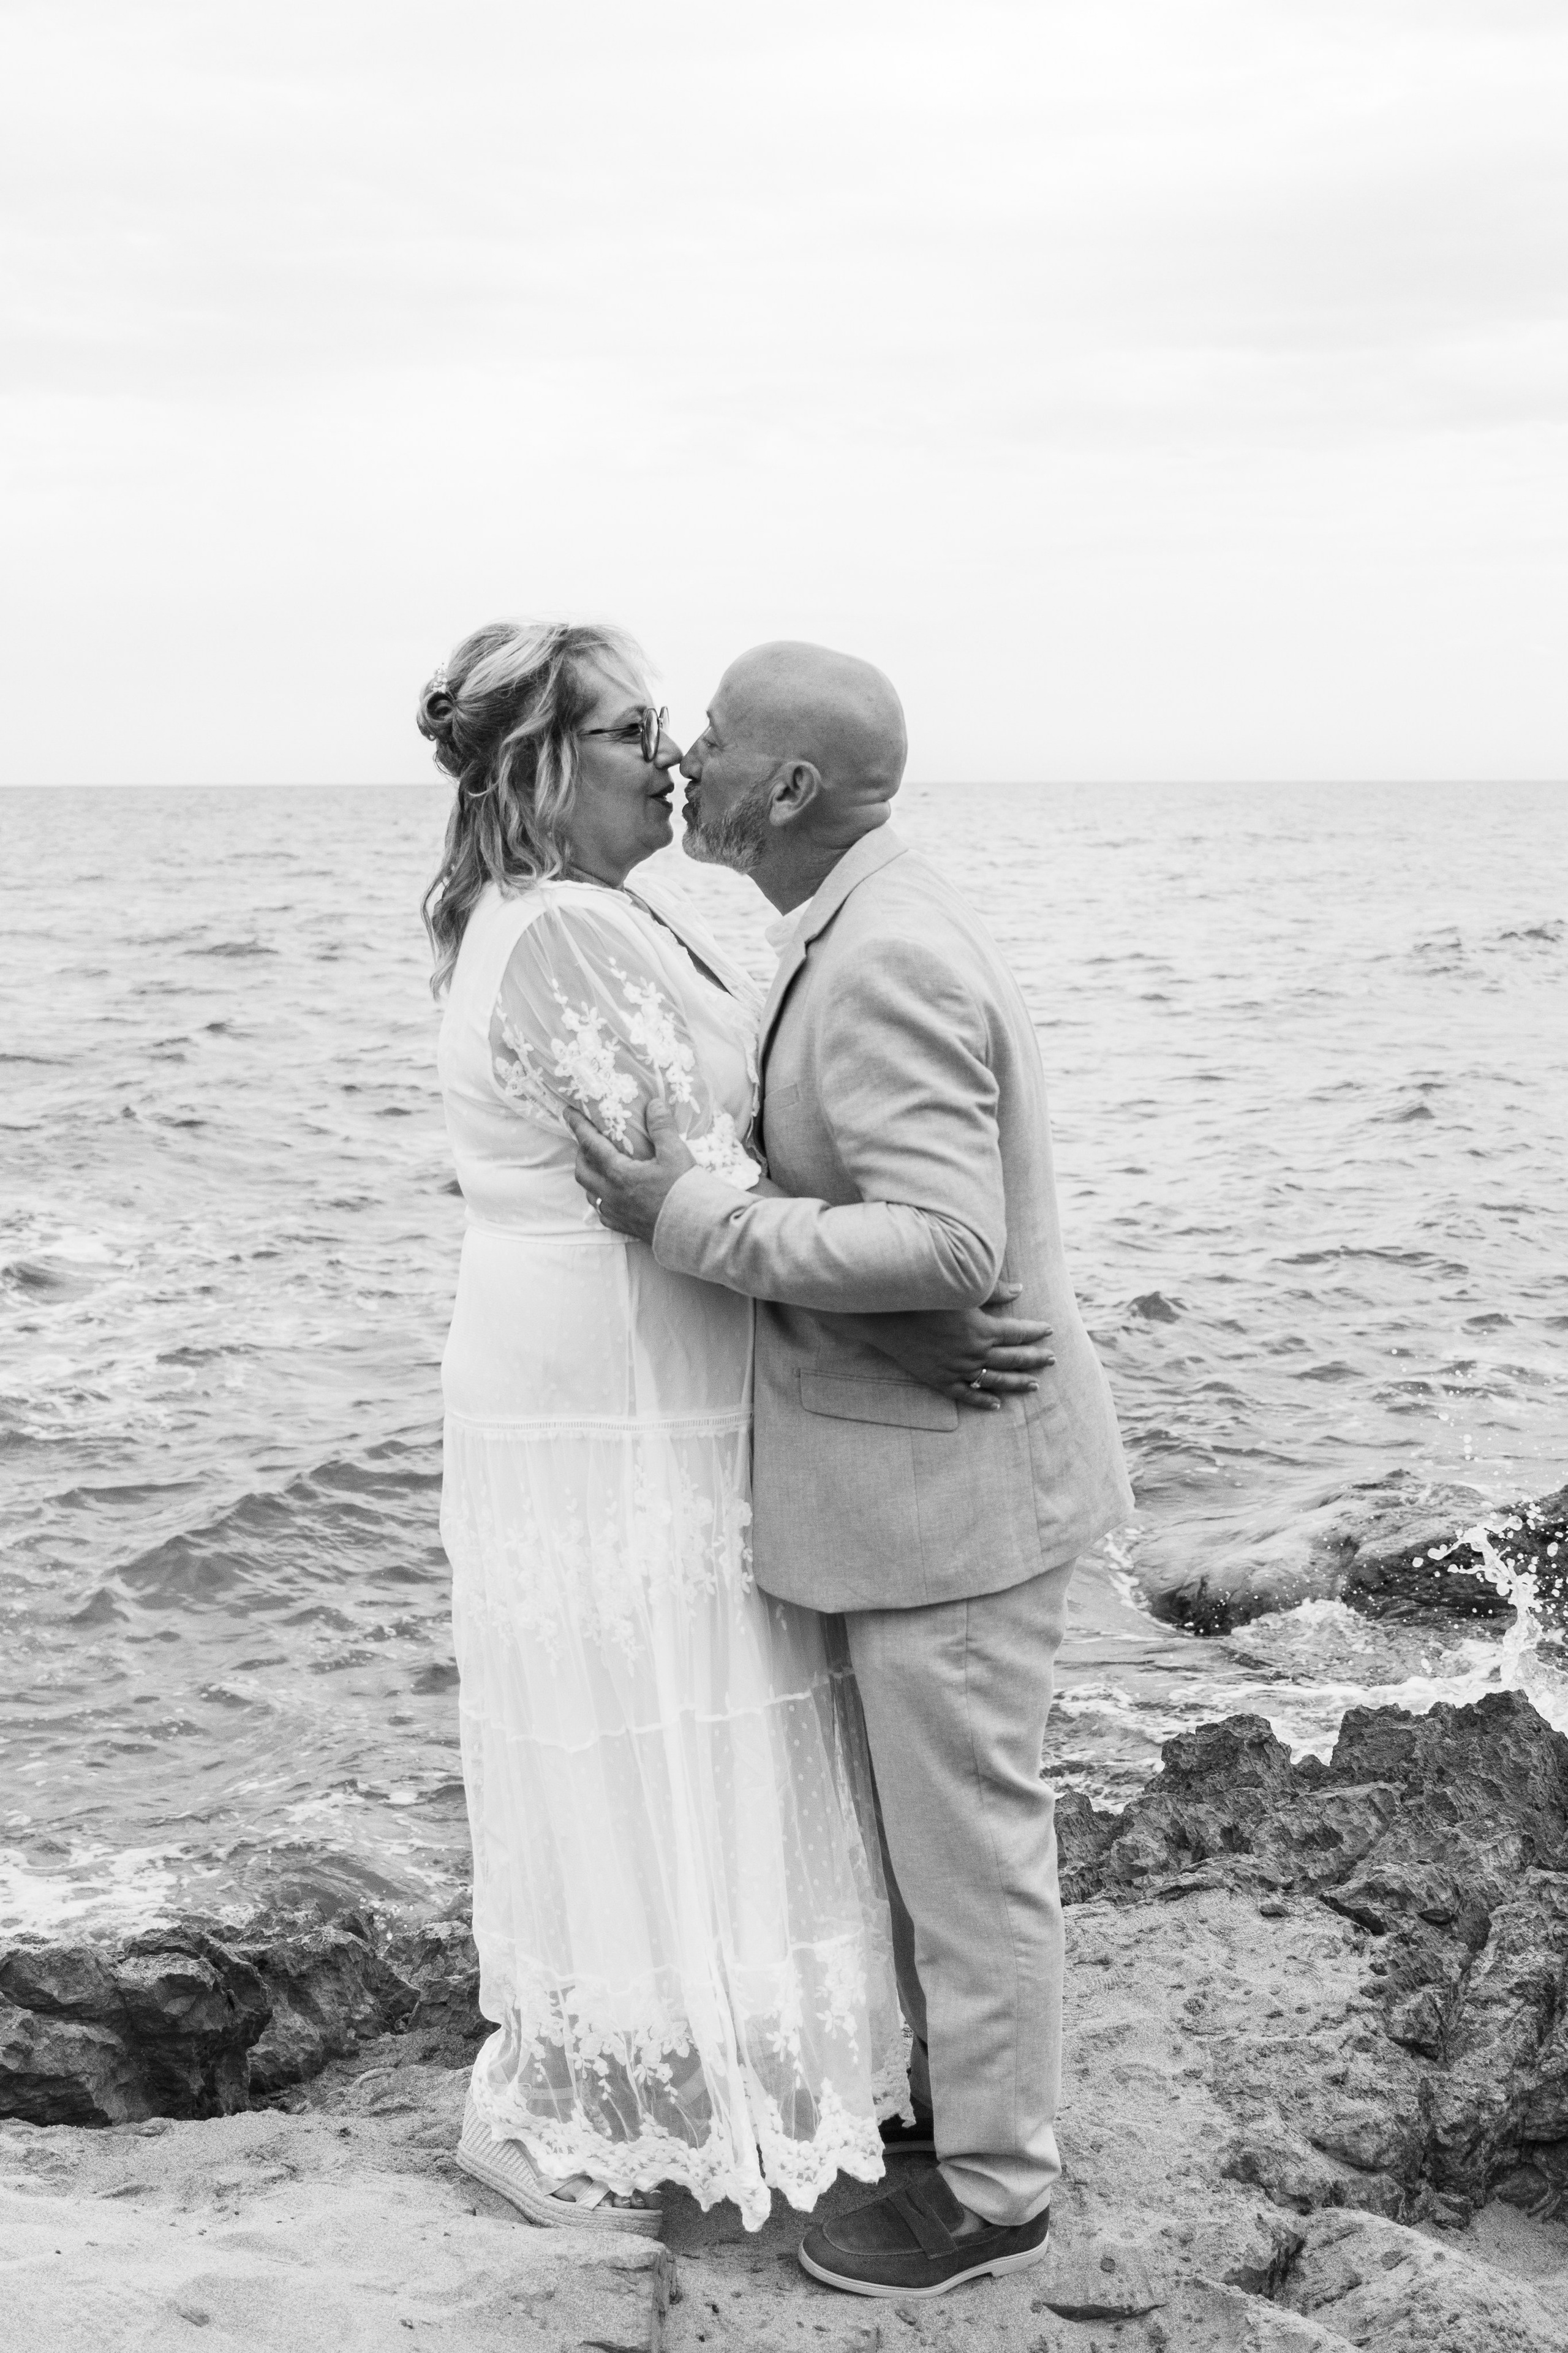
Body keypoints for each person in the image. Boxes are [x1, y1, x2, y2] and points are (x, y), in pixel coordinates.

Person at [418, 620, 1046, 2239]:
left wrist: (891, 1295)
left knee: (685, 1701)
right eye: (635, 727)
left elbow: (712, 1185)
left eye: (672, 727)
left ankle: (721, 2060)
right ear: (544, 768)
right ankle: (560, 2101)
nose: (669, 756)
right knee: (635, 1705)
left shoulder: (602, 913)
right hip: (608, 1381)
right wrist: (896, 1310)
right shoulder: (561, 933)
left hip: (653, 1362)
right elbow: (675, 1189)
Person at [570, 640, 1136, 2298]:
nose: (686, 756)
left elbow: (948, 1240)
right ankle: (955, 2120)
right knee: (933, 1843)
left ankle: (997, 2190)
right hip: (927, 1465)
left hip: (953, 1497)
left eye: (721, 739)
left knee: (969, 1852)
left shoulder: (882, 955)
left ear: (793, 788)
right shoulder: (852, 921)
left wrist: (683, 1215)